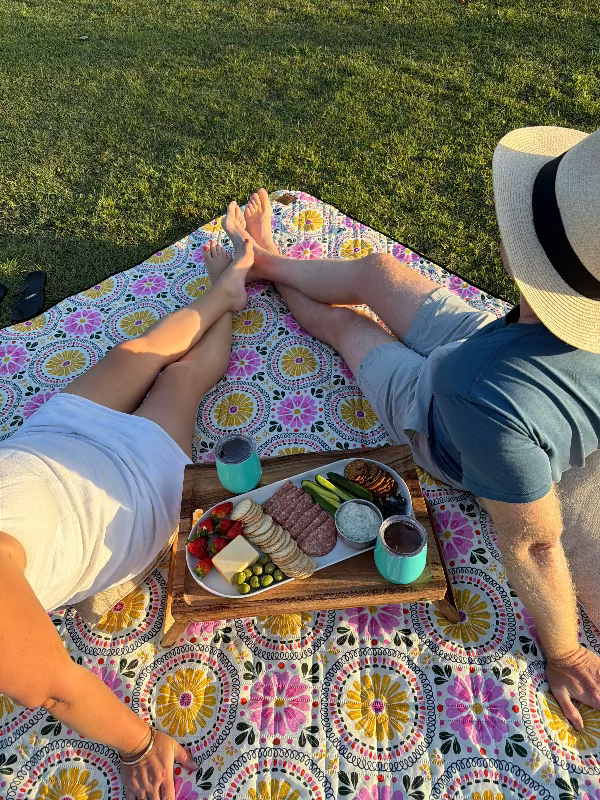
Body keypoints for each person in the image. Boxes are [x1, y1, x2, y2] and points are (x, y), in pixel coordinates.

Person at [229, 125, 600, 732]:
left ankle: (261, 271)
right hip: (503, 345)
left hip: (446, 422)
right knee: (378, 269)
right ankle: (266, 260)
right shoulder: (546, 331)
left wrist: (566, 653)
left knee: (346, 327)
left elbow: (535, 542)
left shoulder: (477, 389)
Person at [0, 239, 254, 800]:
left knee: (135, 352)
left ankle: (224, 291)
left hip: (51, 440)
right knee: (179, 380)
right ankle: (228, 298)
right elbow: (56, 688)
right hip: (126, 491)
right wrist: (140, 745)